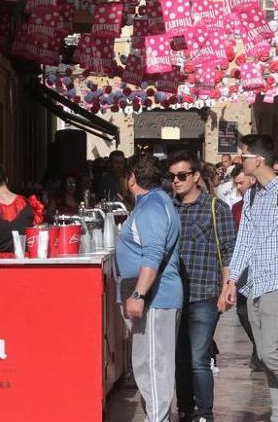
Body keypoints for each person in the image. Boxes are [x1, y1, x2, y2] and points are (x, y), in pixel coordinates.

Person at [222, 134, 278, 422]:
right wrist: (232, 280)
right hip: (255, 286)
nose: (240, 160)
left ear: (258, 160)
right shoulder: (251, 195)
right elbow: (245, 241)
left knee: (271, 352)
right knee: (264, 356)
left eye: (244, 156)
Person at [168, 151, 236, 422]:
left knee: (198, 358)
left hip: (204, 294)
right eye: (172, 177)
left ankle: (204, 414)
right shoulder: (169, 208)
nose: (176, 181)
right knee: (180, 359)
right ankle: (185, 409)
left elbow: (229, 251)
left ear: (196, 176)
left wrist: (226, 288)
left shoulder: (216, 208)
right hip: (174, 296)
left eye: (182, 176)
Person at [117, 153, 183, 422]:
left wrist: (138, 294)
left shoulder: (152, 206)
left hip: (157, 298)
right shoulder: (154, 202)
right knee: (147, 364)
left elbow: (153, 253)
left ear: (132, 177)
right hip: (155, 298)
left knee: (153, 366)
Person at [227, 164, 260, 370]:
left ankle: (264, 349)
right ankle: (259, 345)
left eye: (241, 182)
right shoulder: (236, 208)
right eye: (236, 184)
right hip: (244, 265)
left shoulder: (265, 204)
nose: (239, 187)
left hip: (265, 264)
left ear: (252, 180)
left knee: (261, 310)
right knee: (242, 310)